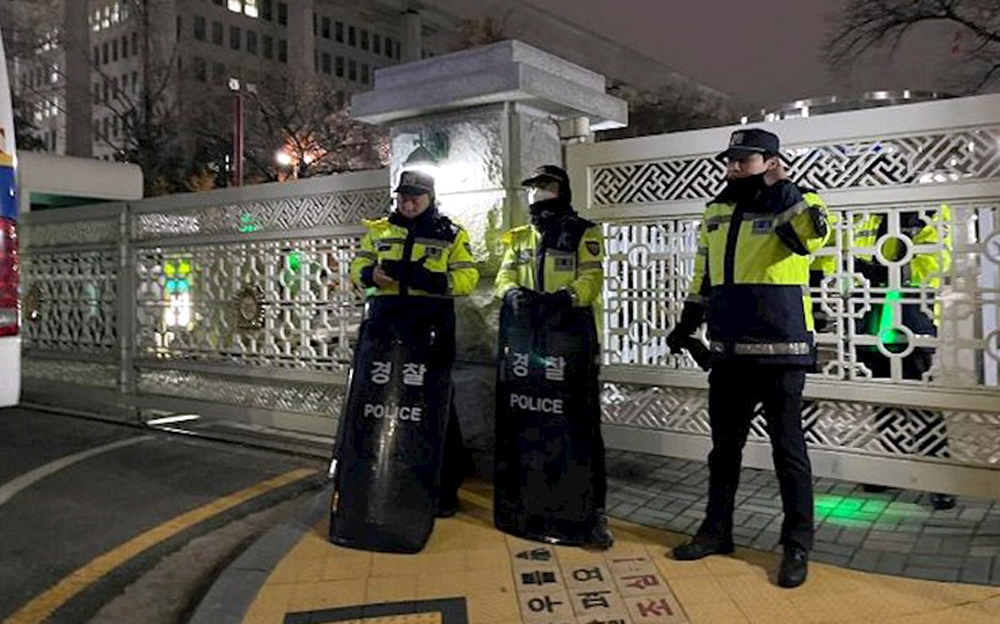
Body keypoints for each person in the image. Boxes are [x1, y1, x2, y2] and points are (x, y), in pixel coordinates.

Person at [666, 129, 832, 588]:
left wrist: (782, 187)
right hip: (730, 351)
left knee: (788, 451)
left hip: (783, 351)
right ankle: (716, 531)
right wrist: (687, 322)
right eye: (730, 160)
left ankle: (797, 545)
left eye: (745, 159)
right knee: (723, 451)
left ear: (771, 160)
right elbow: (704, 273)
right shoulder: (716, 209)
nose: (734, 166)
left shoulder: (802, 201)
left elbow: (808, 240)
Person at [349, 169, 479, 518]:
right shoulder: (380, 231)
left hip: (429, 330)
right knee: (382, 406)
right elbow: (358, 266)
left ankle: (443, 491)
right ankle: (383, 480)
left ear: (429, 199)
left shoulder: (451, 233)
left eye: (414, 198)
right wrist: (370, 275)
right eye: (403, 197)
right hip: (387, 328)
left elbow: (468, 278)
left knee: (436, 407)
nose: (407, 203)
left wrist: (434, 280)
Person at [494, 164, 612, 549]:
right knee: (528, 424)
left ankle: (588, 512)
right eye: (533, 187)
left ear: (561, 190)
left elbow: (591, 279)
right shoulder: (519, 237)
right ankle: (526, 506)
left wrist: (565, 299)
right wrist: (513, 295)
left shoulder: (583, 232)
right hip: (528, 343)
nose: (537, 193)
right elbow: (503, 278)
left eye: (545, 186)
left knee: (577, 427)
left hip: (569, 343)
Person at [852, 207, 956, 511]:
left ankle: (939, 479)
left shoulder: (927, 212)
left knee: (921, 402)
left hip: (912, 320)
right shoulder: (865, 214)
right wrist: (861, 272)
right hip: (872, 321)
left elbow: (935, 260)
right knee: (884, 401)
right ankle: (892, 468)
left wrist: (891, 269)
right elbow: (849, 259)